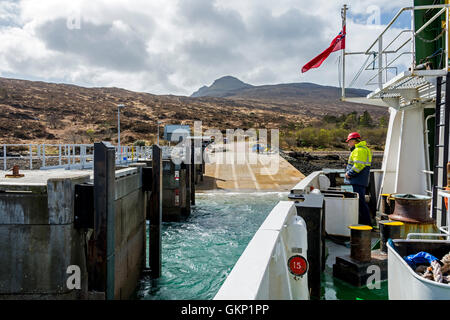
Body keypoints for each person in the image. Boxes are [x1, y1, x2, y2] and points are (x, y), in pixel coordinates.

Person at [344, 132, 372, 226]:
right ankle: (365, 223)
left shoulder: (358, 150)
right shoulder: (364, 149)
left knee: (360, 203)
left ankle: (366, 225)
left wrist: (349, 173)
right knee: (360, 203)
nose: (348, 144)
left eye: (349, 141)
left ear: (354, 141)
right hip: (360, 181)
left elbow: (359, 165)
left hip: (357, 181)